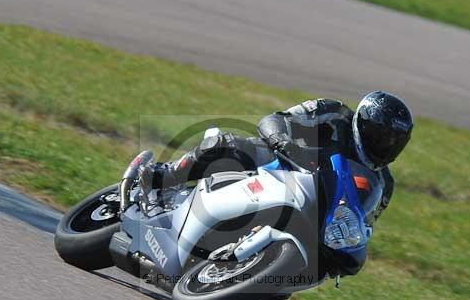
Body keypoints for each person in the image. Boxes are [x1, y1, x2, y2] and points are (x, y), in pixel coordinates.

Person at [139, 91, 413, 222]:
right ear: (363, 123)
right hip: (277, 164)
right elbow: (275, 120)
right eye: (382, 136)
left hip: (311, 206)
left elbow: (362, 224)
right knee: (229, 145)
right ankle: (164, 176)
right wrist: (285, 144)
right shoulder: (333, 113)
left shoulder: (383, 185)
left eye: (396, 142)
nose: (387, 146)